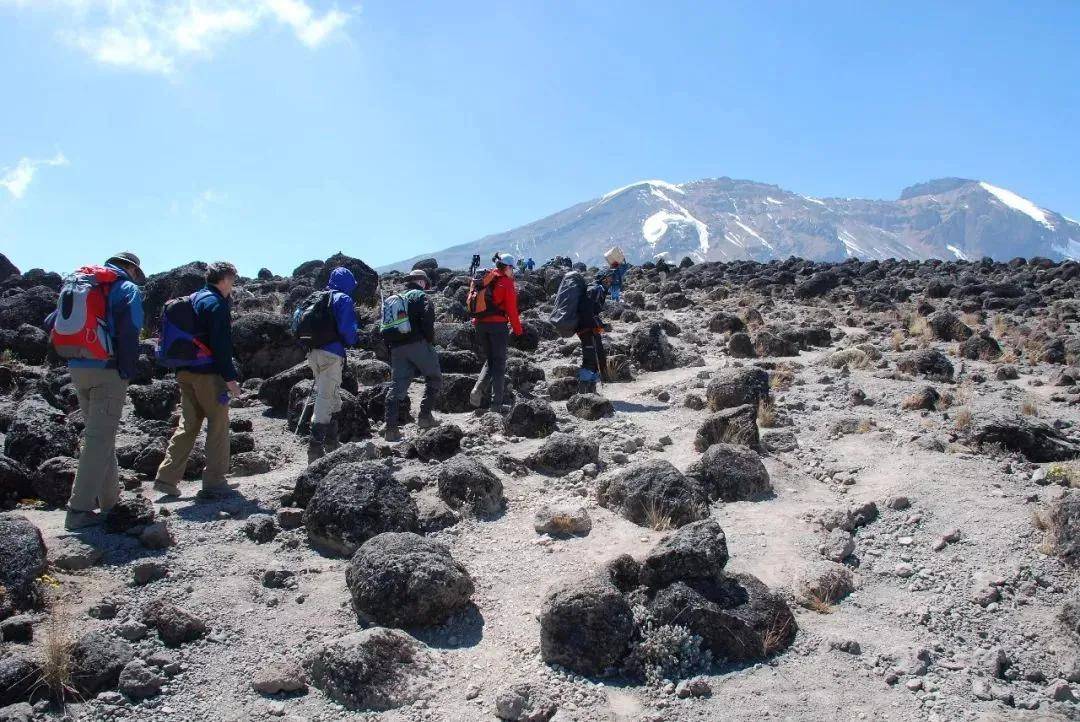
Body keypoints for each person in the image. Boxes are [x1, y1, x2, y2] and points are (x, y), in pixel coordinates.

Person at [46, 252, 145, 530]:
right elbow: (130, 331)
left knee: (101, 435)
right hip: (107, 370)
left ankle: (110, 501)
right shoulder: (126, 288)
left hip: (78, 366)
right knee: (98, 439)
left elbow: (50, 321)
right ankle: (78, 510)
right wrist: (126, 370)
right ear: (130, 269)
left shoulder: (81, 284)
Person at [154, 261, 241, 500]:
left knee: (188, 423)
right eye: (232, 280)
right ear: (225, 279)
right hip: (208, 374)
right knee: (218, 424)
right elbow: (221, 345)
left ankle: (167, 477)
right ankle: (215, 480)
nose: (232, 286)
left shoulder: (193, 298)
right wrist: (230, 379)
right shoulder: (216, 304)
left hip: (184, 371)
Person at [306, 267, 360, 460]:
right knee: (325, 397)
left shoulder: (318, 297)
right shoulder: (343, 299)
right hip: (331, 353)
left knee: (330, 392)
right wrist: (354, 338)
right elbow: (348, 331)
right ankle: (315, 447)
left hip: (313, 352)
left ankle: (332, 441)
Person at [382, 270, 441, 442]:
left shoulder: (397, 298)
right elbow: (428, 318)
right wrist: (429, 341)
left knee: (397, 386)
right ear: (422, 282)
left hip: (397, 347)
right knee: (434, 377)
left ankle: (390, 429)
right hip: (418, 344)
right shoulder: (420, 296)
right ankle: (424, 417)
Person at [470, 253, 523, 413]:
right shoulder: (506, 283)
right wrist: (519, 331)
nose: (512, 271)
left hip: (479, 325)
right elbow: (512, 311)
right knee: (499, 364)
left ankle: (477, 389)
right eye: (512, 268)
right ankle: (496, 405)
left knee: (491, 360)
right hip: (497, 326)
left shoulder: (483, 279)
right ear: (507, 267)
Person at [577, 270, 614, 394]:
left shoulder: (599, 291)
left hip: (589, 328)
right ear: (602, 280)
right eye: (607, 280)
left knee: (596, 356)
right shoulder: (596, 290)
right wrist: (602, 326)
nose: (610, 282)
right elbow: (589, 312)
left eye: (610, 280)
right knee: (590, 359)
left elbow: (593, 312)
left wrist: (600, 326)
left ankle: (591, 390)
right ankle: (584, 392)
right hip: (586, 329)